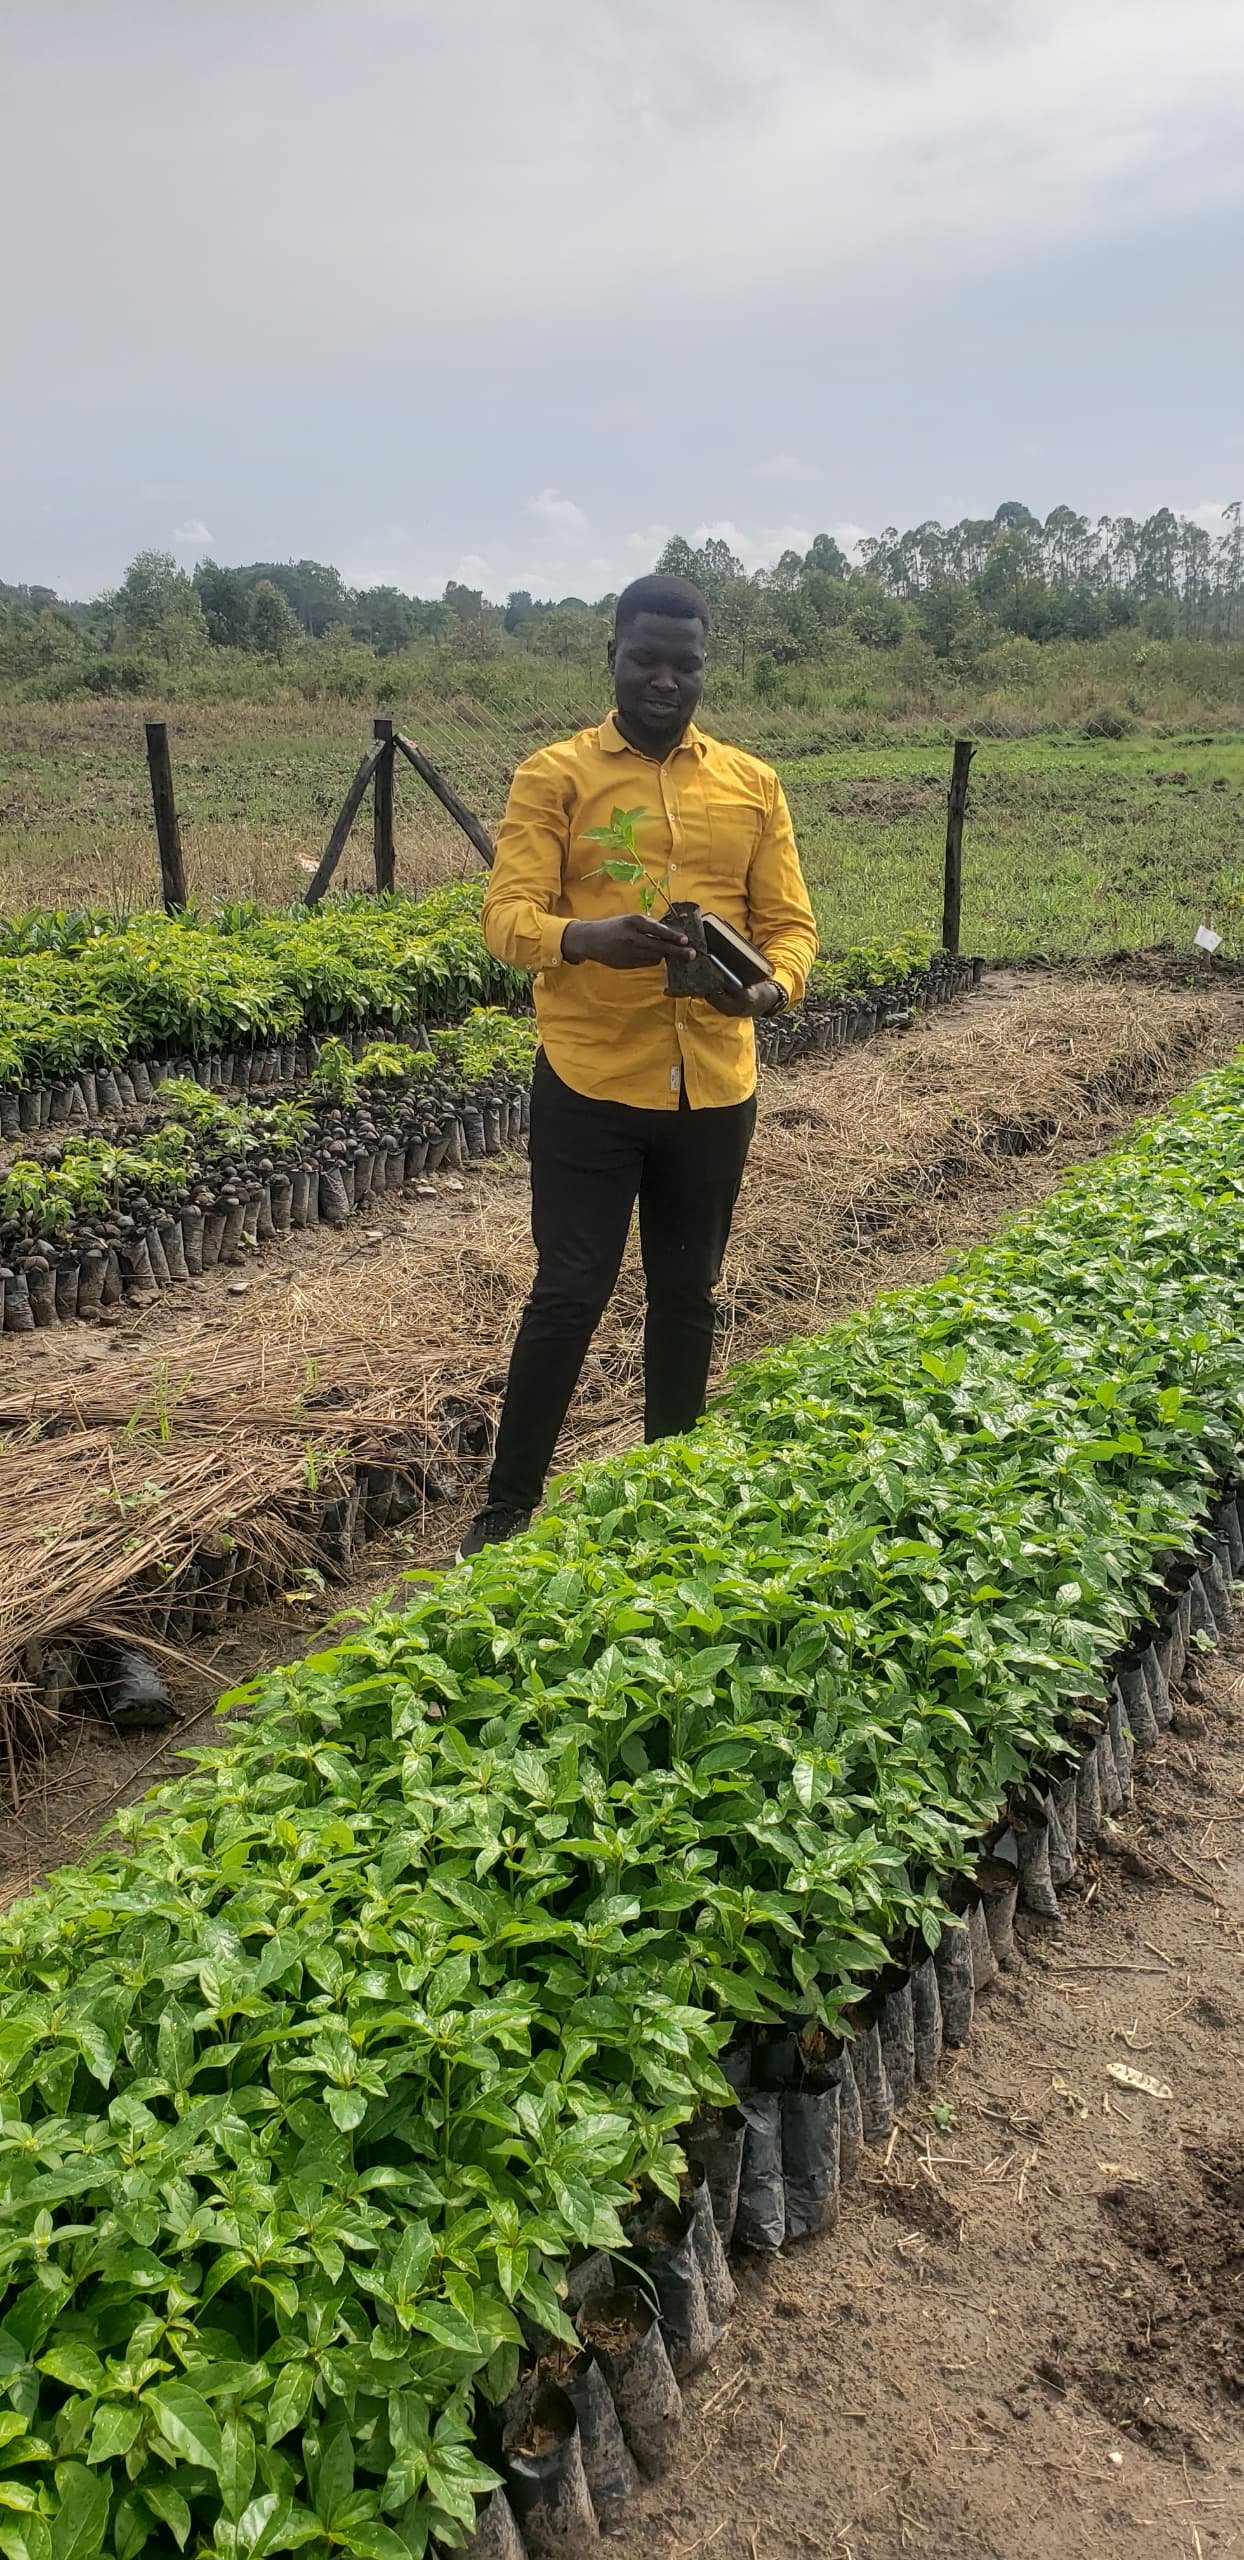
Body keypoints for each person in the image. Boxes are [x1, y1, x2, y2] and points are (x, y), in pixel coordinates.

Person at [458, 572, 818, 1558]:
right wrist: (585, 939)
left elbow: (789, 925)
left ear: (705, 667)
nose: (664, 680)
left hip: (714, 1082)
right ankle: (507, 1506)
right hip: (591, 1079)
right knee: (570, 1289)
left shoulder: (751, 784)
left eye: (683, 663)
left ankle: (669, 1489)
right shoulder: (556, 776)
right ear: (611, 657)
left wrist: (767, 993)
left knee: (687, 1292)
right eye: (645, 659)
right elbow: (505, 918)